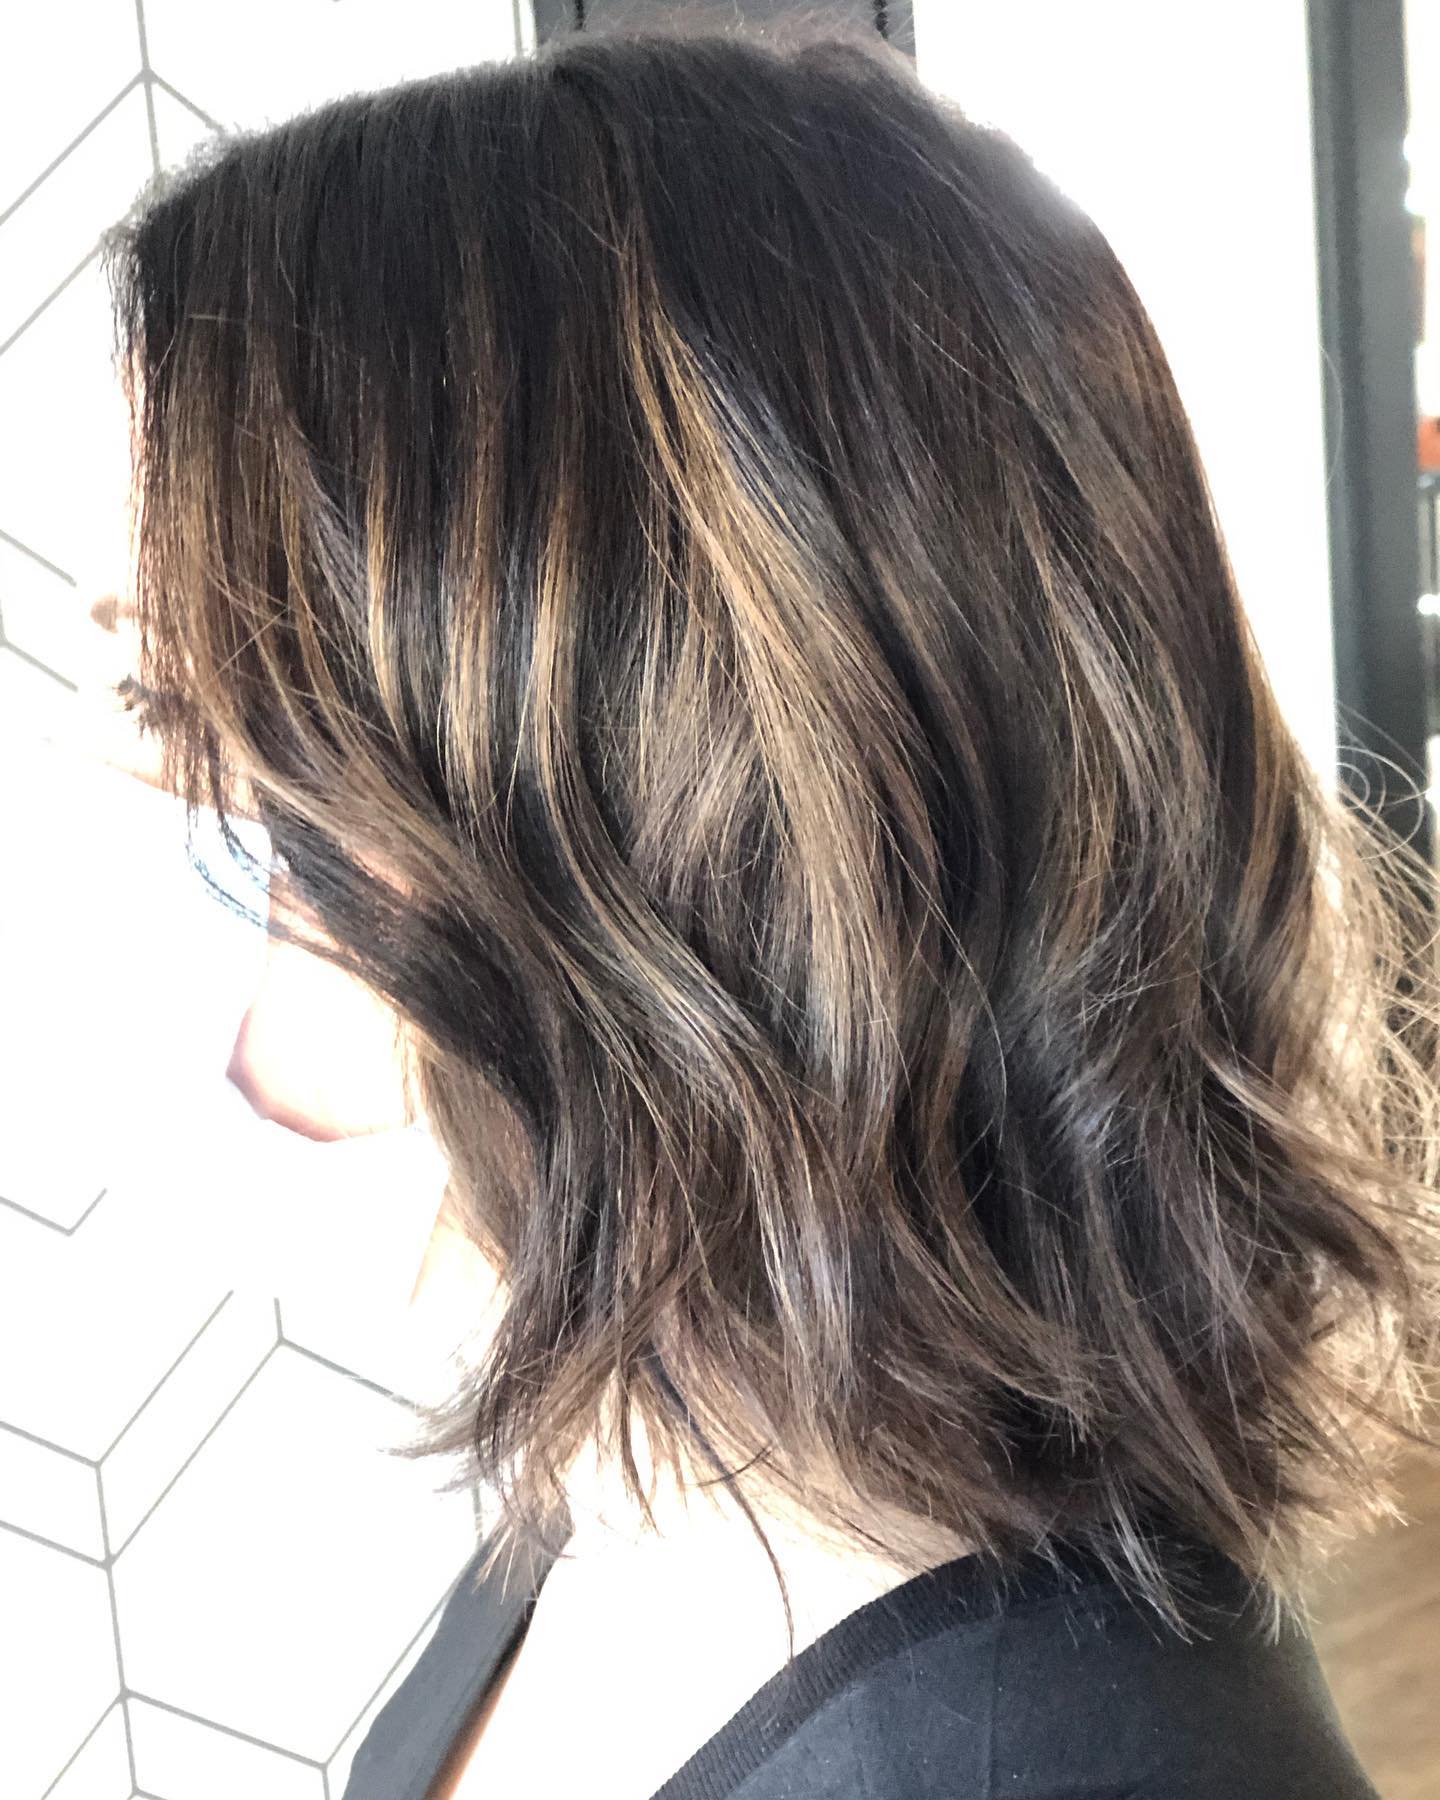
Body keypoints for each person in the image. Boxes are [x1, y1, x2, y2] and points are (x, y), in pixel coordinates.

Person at [89, 19, 1440, 1799]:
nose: (156, 822)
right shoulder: (633, 1459)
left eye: (216, 755)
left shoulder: (1058, 1760)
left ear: (635, 834)